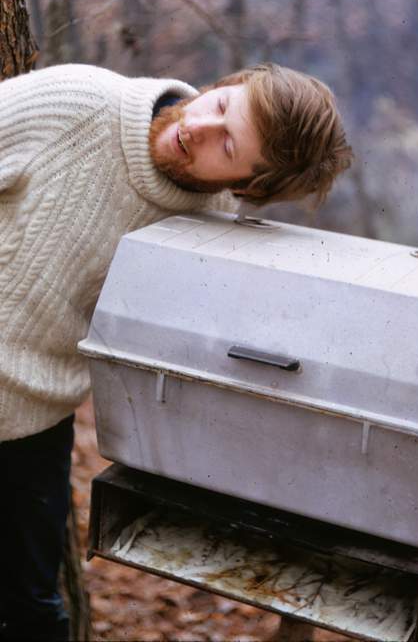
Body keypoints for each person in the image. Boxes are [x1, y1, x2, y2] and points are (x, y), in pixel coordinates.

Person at [0, 62, 352, 641]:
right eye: (219, 108)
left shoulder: (206, 229)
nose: (199, 129)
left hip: (32, 422)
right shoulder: (75, 101)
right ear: (221, 86)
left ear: (248, 186)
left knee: (31, 611)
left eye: (227, 144)